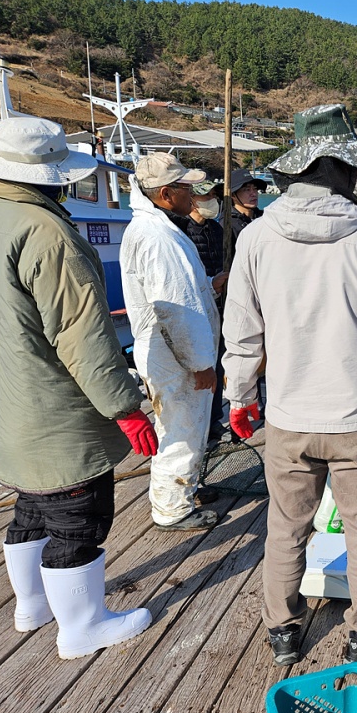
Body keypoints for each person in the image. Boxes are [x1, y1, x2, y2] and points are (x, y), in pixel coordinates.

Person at [223, 103, 357, 665]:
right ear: (345, 170)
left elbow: (242, 332)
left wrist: (239, 398)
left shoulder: (258, 237)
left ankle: (283, 630)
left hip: (287, 417)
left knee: (286, 526)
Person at [0, 117, 154, 659]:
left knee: (31, 506)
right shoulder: (46, 232)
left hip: (0, 405)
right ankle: (82, 626)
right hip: (55, 410)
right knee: (77, 516)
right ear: (52, 176)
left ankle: (32, 606)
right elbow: (81, 336)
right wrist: (125, 407)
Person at [122, 152, 221, 531]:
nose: (192, 194)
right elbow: (175, 311)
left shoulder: (155, 228)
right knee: (181, 432)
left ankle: (186, 488)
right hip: (173, 355)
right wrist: (201, 365)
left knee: (185, 428)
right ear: (165, 193)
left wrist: (210, 287)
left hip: (167, 350)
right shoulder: (157, 237)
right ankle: (172, 509)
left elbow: (177, 296)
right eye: (185, 188)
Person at [183, 180, 230, 441]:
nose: (212, 200)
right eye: (206, 196)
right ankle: (195, 423)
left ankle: (213, 419)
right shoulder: (183, 230)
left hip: (219, 308)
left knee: (217, 365)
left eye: (214, 195)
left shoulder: (216, 229)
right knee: (198, 366)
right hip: (196, 309)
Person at [228, 168, 267, 243]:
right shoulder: (228, 224)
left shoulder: (265, 217)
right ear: (233, 195)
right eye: (247, 190)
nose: (254, 194)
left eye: (255, 189)